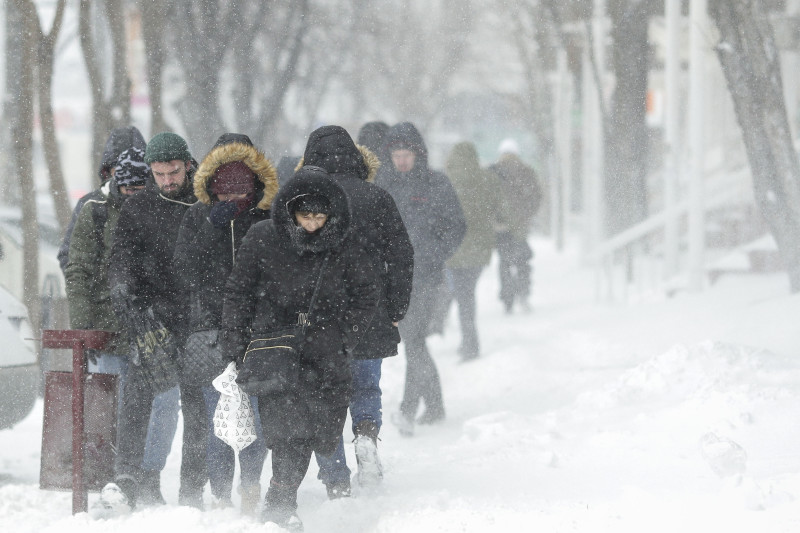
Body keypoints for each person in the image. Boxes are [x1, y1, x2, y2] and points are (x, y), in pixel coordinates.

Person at [221, 167, 379, 530]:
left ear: (332, 214)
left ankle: (285, 495)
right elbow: (239, 290)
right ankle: (281, 502)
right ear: (290, 211)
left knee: (320, 431)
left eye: (319, 217)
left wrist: (344, 336)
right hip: (276, 346)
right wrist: (236, 341)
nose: (311, 225)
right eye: (305, 216)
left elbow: (366, 293)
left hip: (327, 350)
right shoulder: (264, 237)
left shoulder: (346, 242)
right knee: (286, 429)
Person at [300, 125, 413, 496]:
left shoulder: (305, 200)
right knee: (366, 384)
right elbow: (401, 254)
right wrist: (395, 306)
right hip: (370, 309)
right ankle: (366, 433)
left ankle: (334, 478)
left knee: (323, 396)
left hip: (320, 317)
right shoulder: (378, 197)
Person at [65, 147, 179, 505]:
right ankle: (119, 476)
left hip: (151, 328)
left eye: (139, 188)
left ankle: (149, 474)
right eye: (127, 188)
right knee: (114, 408)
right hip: (109, 329)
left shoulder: (159, 208)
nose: (133, 194)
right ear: (115, 182)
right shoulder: (95, 212)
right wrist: (83, 326)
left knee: (162, 404)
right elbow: (79, 268)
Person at [97, 132, 204, 515]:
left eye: (173, 172)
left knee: (197, 405)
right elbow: (121, 254)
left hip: (195, 316)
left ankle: (193, 487)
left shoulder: (202, 201)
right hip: (152, 315)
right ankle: (127, 477)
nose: (167, 181)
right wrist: (121, 283)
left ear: (187, 165)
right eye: (159, 174)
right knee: (137, 397)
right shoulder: (139, 207)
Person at [173, 133, 277, 515]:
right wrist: (211, 229)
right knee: (219, 415)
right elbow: (184, 271)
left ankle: (250, 484)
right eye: (223, 192)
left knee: (258, 417)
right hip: (211, 331)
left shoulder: (268, 215)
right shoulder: (197, 216)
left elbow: (280, 271)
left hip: (260, 330)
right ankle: (219, 493)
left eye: (238, 193)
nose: (230, 202)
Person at [377, 122, 466, 437]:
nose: (402, 160)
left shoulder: (435, 184)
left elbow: (457, 226)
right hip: (395, 279)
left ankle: (407, 410)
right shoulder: (382, 186)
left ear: (418, 154)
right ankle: (436, 405)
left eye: (407, 154)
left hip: (428, 277)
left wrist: (434, 253)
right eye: (397, 154)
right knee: (415, 342)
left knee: (414, 341)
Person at [439, 141, 501, 361]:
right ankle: (469, 341)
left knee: (460, 293)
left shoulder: (445, 180)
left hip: (453, 248)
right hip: (480, 249)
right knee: (467, 294)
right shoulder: (488, 179)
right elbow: (501, 207)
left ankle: (468, 343)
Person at [58, 126, 146, 272]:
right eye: (119, 171)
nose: (127, 177)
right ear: (108, 171)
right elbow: (71, 258)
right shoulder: (92, 205)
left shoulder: (157, 203)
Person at [490, 138, 542, 313]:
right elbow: (537, 196)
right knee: (522, 261)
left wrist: (495, 218)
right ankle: (524, 294)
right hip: (520, 226)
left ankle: (507, 299)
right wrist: (526, 215)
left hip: (501, 227)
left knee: (504, 263)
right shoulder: (526, 171)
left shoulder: (494, 172)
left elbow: (486, 199)